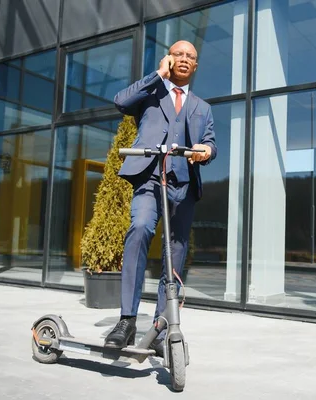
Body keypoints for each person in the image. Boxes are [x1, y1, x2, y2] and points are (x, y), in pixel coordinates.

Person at [104, 40, 217, 356]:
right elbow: (121, 101)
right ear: (169, 58)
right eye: (178, 54)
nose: (184, 59)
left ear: (195, 66)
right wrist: (158, 74)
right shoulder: (150, 94)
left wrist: (206, 151)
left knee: (175, 258)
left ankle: (160, 328)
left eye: (190, 56)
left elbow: (210, 143)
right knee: (139, 229)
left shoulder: (202, 108)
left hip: (184, 187)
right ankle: (127, 321)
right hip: (151, 179)